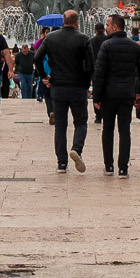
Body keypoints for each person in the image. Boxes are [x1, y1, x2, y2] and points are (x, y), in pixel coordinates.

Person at [91, 13, 140, 177]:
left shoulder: (106, 46)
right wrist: (139, 94)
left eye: (108, 25)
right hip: (126, 94)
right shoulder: (134, 46)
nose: (106, 28)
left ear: (115, 27)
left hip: (109, 95)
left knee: (107, 130)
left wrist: (97, 97)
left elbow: (99, 73)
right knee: (124, 131)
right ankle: (123, 168)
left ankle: (109, 166)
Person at [38, 12, 94, 171]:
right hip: (77, 87)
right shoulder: (83, 39)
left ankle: (62, 163)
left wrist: (45, 77)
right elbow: (91, 66)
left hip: (58, 87)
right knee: (81, 122)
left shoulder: (50, 38)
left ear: (63, 22)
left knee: (60, 126)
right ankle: (76, 149)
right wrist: (85, 82)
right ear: (77, 22)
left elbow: (37, 58)